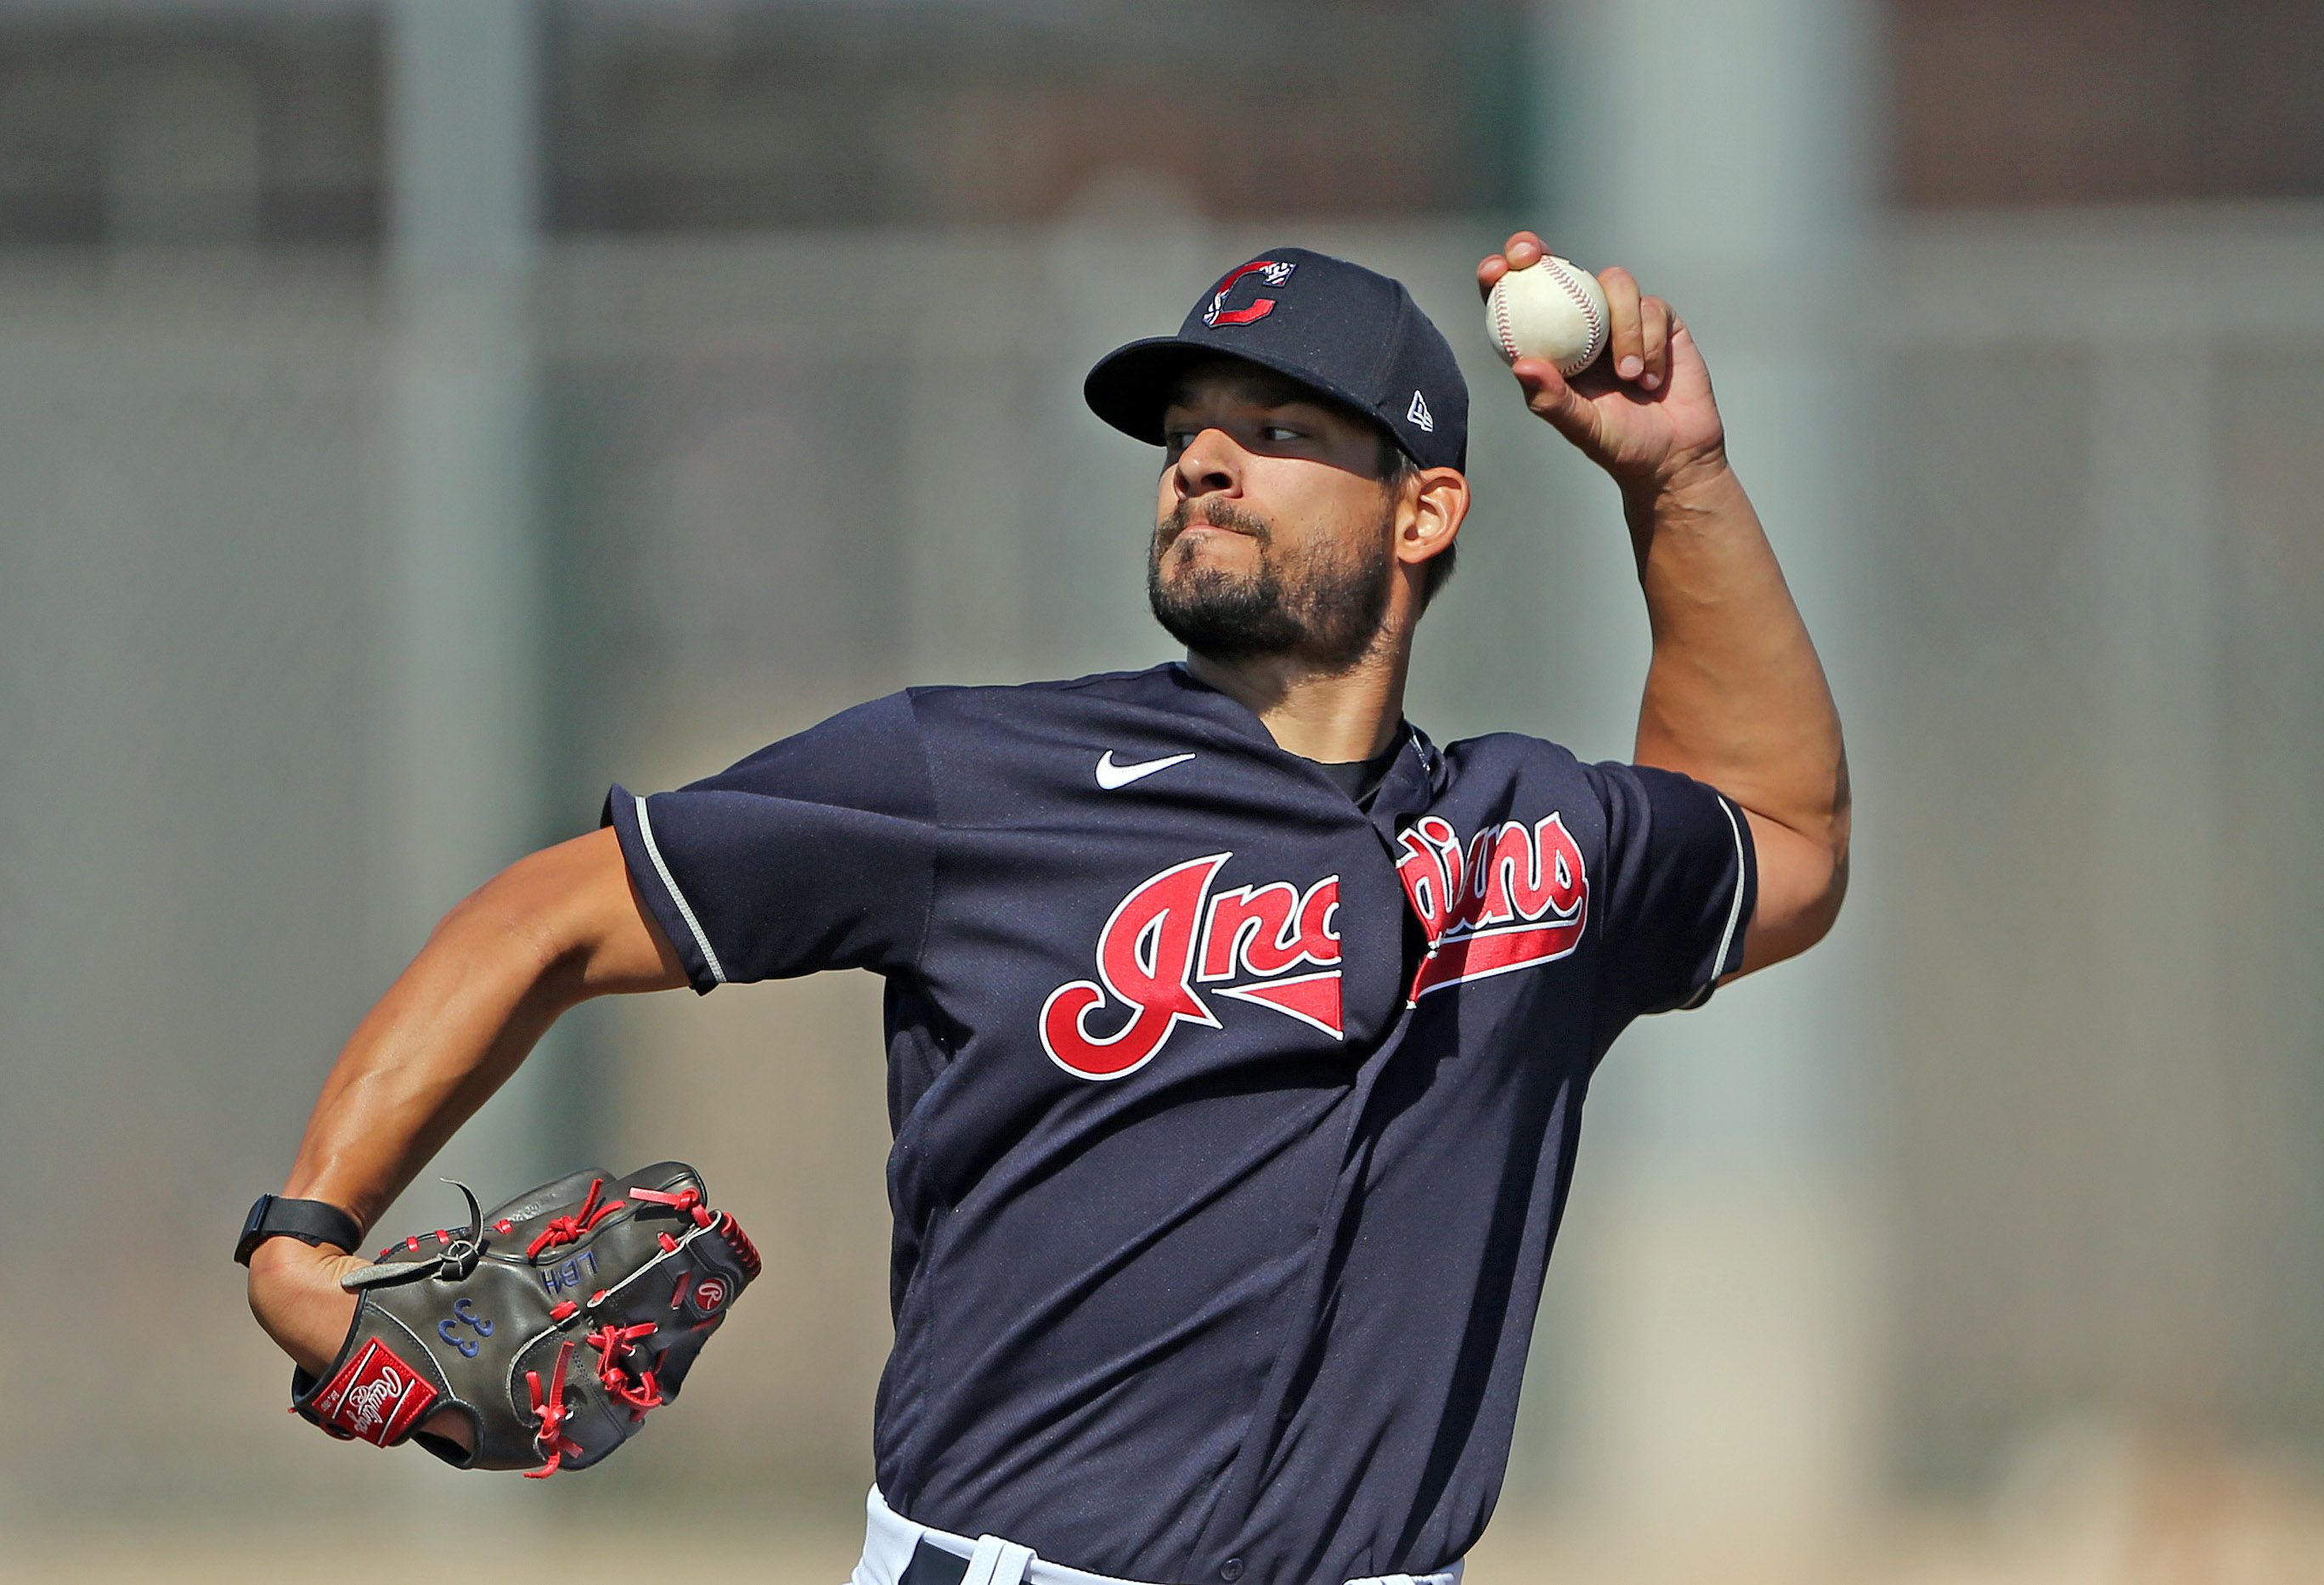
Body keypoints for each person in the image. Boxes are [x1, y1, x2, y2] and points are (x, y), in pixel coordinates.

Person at [244, 232, 1848, 1585]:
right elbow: (550, 914)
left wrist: (1679, 480)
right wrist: (305, 1238)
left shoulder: (1536, 841)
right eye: (1184, 434)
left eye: (1277, 425)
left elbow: (1779, 835)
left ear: (1422, 512)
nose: (1203, 459)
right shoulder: (974, 777)